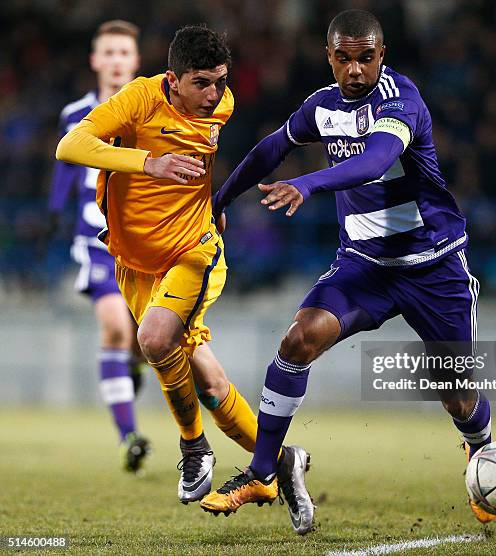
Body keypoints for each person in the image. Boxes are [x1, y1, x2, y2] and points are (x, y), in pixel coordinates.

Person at [201, 9, 495, 525]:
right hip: (364, 266)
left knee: (457, 394)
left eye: (365, 58)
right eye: (344, 58)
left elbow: (376, 160)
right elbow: (272, 148)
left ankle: (481, 453)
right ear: (330, 57)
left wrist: (309, 183)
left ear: (381, 56)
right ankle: (263, 472)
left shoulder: (401, 101)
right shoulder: (322, 106)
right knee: (297, 340)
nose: (355, 69)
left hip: (433, 266)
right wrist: (219, 198)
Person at [56, 23, 315, 533]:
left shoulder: (222, 105)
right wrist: (146, 163)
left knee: (153, 338)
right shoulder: (138, 100)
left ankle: (194, 447)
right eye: (203, 82)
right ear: (172, 80)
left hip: (193, 252)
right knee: (210, 383)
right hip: (133, 262)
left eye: (221, 80)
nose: (216, 93)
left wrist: (211, 205)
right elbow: (70, 145)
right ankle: (284, 461)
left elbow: (202, 164)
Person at [48, 20, 150, 473]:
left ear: (135, 61)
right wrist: (54, 213)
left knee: (145, 343)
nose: (114, 61)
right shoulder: (75, 115)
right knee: (113, 327)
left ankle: (136, 366)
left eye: (122, 53)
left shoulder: (150, 110)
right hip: (96, 244)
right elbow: (65, 176)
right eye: (107, 53)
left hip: (148, 244)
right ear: (95, 60)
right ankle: (129, 436)